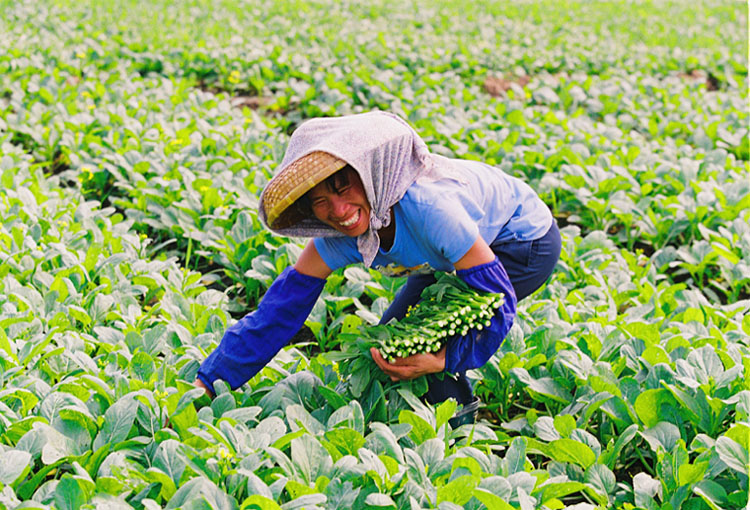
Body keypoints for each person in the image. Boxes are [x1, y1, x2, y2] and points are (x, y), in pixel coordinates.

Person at [194, 111, 561, 425]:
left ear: (369, 176)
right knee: (391, 345)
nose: (338, 211)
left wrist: (443, 359)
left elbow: (497, 298)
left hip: (522, 240)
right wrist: (209, 381)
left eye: (343, 188)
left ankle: (458, 428)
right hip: (453, 254)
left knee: (429, 338)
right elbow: (278, 313)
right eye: (320, 202)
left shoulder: (431, 211)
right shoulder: (337, 237)